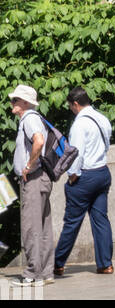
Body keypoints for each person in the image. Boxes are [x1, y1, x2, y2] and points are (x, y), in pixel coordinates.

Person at [53, 86, 114, 277]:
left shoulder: (79, 124)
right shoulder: (102, 118)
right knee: (101, 220)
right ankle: (106, 264)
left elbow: (75, 154)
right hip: (102, 173)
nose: (71, 109)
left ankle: (57, 263)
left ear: (76, 104)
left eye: (71, 106)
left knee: (72, 222)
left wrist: (72, 175)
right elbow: (107, 144)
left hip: (85, 177)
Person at [8, 84, 54, 286]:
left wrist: (28, 165)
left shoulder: (29, 119)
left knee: (31, 227)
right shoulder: (34, 118)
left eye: (15, 100)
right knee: (43, 227)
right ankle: (45, 272)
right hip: (41, 177)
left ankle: (32, 274)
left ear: (25, 102)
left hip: (34, 179)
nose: (12, 103)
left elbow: (39, 140)